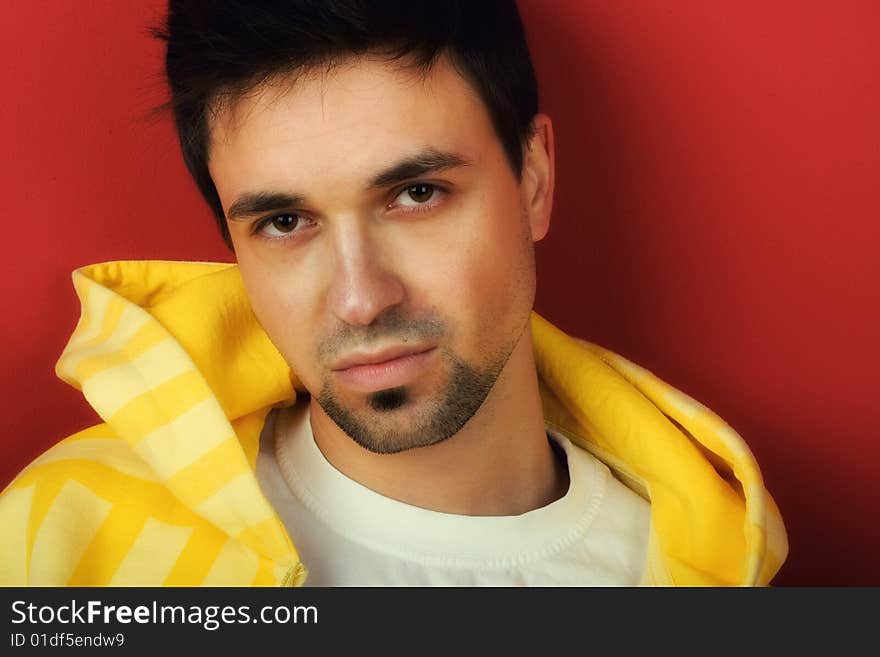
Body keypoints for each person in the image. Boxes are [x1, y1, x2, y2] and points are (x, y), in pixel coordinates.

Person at [0, 0, 786, 587]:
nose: (359, 298)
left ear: (535, 178)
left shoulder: (697, 574)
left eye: (415, 194)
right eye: (283, 220)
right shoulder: (61, 544)